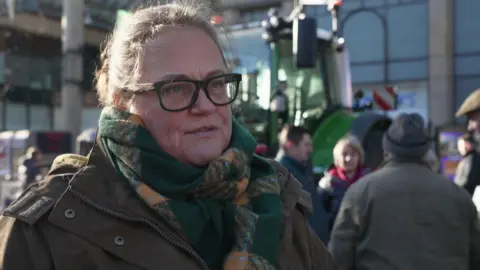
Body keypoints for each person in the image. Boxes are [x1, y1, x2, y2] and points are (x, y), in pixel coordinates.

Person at [0, 3, 337, 270]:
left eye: (217, 83)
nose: (206, 105)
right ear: (121, 100)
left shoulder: (276, 198)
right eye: (176, 88)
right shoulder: (48, 228)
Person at [329, 113, 480, 270]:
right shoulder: (458, 196)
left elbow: (338, 257)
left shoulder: (360, 193)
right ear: (425, 151)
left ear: (386, 149)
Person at [275, 125, 330, 244]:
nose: (310, 149)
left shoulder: (304, 169)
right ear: (290, 145)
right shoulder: (280, 176)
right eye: (306, 145)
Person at [317, 135, 367, 244]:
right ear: (336, 159)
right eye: (344, 154)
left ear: (359, 156)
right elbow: (320, 217)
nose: (348, 158)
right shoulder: (327, 185)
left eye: (353, 154)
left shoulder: (369, 181)